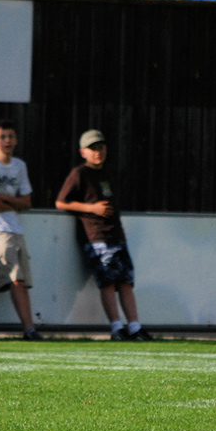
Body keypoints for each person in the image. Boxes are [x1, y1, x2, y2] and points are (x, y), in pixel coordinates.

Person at [55, 129, 154, 341]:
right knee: (108, 282)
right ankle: (117, 328)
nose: (98, 152)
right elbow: (61, 202)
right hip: (96, 237)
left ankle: (135, 327)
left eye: (101, 147)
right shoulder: (79, 174)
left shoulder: (108, 173)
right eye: (93, 149)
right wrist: (91, 209)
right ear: (83, 152)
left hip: (116, 235)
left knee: (126, 282)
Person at [0, 119, 44, 341]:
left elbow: (27, 203)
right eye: (3, 136)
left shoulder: (19, 166)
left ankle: (30, 327)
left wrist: (5, 197)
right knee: (15, 278)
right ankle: (29, 328)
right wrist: (10, 200)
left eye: (11, 136)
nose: (7, 141)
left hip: (16, 228)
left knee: (22, 280)